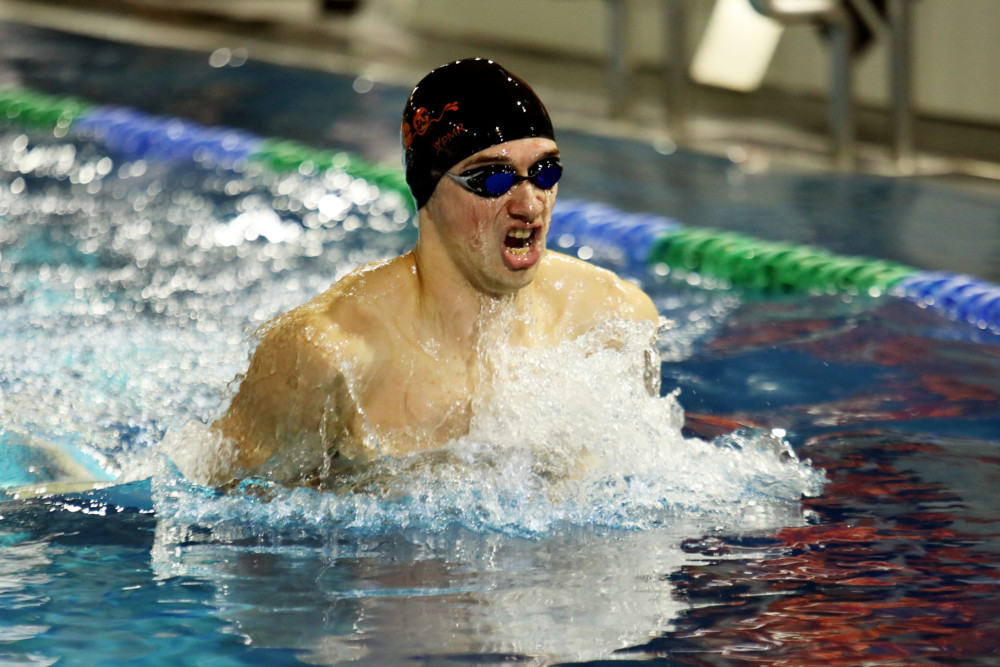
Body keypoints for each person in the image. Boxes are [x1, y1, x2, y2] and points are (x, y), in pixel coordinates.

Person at [207, 58, 659, 487]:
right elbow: (217, 509)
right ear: (428, 188)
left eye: (544, 171)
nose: (529, 205)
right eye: (493, 180)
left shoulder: (613, 321)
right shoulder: (331, 356)